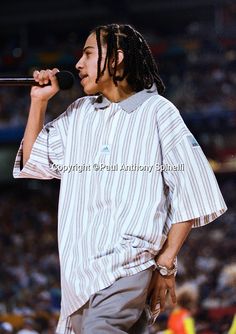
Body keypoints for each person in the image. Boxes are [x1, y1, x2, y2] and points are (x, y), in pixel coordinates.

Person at [13, 23, 227, 334]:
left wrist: (166, 263)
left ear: (116, 59)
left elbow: (194, 189)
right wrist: (39, 102)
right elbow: (33, 161)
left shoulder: (158, 112)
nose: (78, 64)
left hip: (128, 266)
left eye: (88, 54)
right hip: (78, 278)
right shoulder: (78, 114)